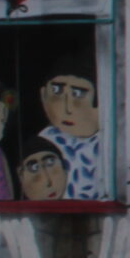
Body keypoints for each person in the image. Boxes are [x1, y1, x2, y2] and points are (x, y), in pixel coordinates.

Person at [34, 54, 104, 200]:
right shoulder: (45, 142)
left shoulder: (109, 144)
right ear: (43, 95)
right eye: (57, 91)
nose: (66, 108)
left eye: (77, 94)